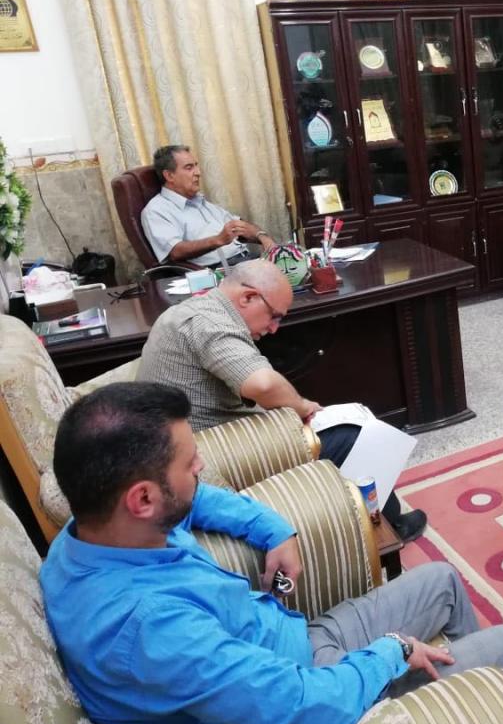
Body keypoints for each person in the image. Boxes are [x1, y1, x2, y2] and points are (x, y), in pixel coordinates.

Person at [39, 382, 503, 724]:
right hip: (313, 696)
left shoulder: (98, 529)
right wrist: (392, 651)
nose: (201, 468)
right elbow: (301, 707)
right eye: (190, 463)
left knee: (443, 581)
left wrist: (273, 529)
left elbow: (197, 499)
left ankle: (492, 709)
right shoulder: (151, 630)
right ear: (143, 498)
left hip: (293, 641)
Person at [136, 258, 427, 542]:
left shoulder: (193, 310)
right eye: (274, 316)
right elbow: (263, 384)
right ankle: (388, 529)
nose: (274, 328)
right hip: (208, 453)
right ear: (248, 297)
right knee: (353, 435)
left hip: (182, 443)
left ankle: (356, 516)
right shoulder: (209, 323)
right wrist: (302, 406)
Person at [142, 144, 277, 267]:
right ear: (169, 175)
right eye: (189, 168)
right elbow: (175, 252)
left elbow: (240, 226)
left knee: (285, 263)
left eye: (196, 166)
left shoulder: (199, 201)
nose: (198, 172)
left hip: (245, 261)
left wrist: (262, 237)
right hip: (217, 271)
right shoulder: (156, 210)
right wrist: (218, 240)